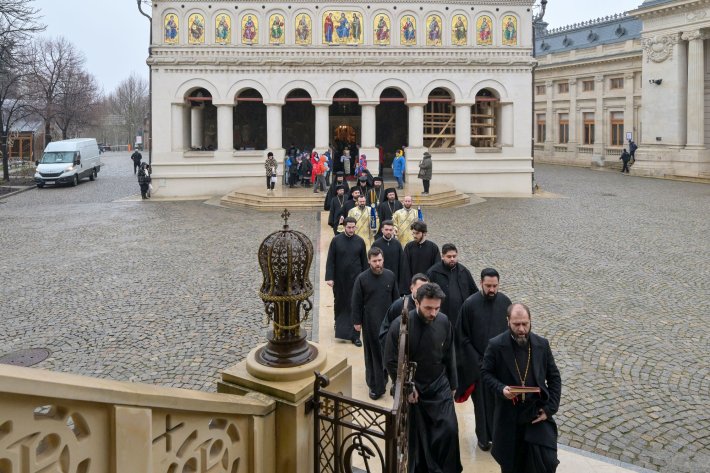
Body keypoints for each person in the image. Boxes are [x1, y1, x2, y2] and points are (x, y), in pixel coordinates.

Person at [384, 283, 462, 473]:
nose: (433, 313)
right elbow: (391, 360)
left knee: (449, 429)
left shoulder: (444, 321)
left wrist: (453, 384)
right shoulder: (400, 326)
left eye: (437, 308)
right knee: (419, 438)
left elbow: (449, 354)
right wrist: (408, 387)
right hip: (415, 387)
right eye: (428, 308)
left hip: (439, 385)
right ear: (417, 303)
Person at [481, 303, 562, 473]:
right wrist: (501, 389)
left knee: (546, 463)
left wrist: (549, 409)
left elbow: (554, 378)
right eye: (516, 324)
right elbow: (486, 374)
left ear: (530, 321)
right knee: (511, 466)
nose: (521, 329)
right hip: (509, 417)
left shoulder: (542, 344)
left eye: (525, 324)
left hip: (535, 414)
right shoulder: (496, 345)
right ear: (508, 321)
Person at [456, 268, 512, 452]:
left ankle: (499, 436)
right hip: (478, 365)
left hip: (500, 365)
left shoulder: (505, 303)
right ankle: (483, 438)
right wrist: (477, 360)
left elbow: (510, 332)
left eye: (495, 286)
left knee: (500, 404)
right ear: (481, 283)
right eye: (488, 286)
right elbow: (462, 337)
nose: (492, 289)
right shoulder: (469, 305)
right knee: (481, 405)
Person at [352, 246, 399, 399]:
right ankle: (375, 386)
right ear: (369, 261)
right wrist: (357, 322)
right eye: (374, 261)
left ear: (383, 259)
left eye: (379, 260)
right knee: (372, 356)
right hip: (370, 323)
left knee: (387, 353)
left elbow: (396, 300)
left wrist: (397, 320)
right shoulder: (362, 279)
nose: (378, 264)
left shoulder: (390, 276)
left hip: (388, 324)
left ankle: (385, 379)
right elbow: (356, 301)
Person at [378, 272, 429, 385]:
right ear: (411, 288)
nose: (423, 292)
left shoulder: (429, 307)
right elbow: (384, 332)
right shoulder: (399, 305)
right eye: (420, 288)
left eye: (426, 289)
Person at [325, 217, 367, 346]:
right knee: (340, 303)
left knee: (355, 305)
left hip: (356, 279)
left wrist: (366, 279)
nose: (351, 230)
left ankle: (355, 336)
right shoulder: (336, 240)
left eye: (353, 227)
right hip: (340, 279)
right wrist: (330, 277)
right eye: (349, 227)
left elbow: (364, 262)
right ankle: (339, 325)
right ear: (344, 227)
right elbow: (331, 260)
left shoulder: (360, 241)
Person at [426, 243, 478, 327]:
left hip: (461, 317)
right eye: (449, 257)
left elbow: (474, 293)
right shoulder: (433, 272)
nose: (452, 259)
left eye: (454, 256)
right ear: (442, 256)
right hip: (441, 318)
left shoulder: (463, 271)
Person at [401, 221, 440, 293]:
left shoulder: (433, 247)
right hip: (413, 286)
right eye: (413, 233)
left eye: (417, 233)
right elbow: (405, 269)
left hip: (428, 287)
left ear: (424, 233)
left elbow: (436, 268)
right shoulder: (409, 247)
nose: (414, 236)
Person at [372, 220, 404, 286]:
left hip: (395, 278)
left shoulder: (397, 244)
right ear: (382, 230)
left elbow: (402, 263)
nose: (388, 232)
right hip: (380, 278)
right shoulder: (376, 244)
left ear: (393, 230)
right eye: (386, 230)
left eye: (390, 230)